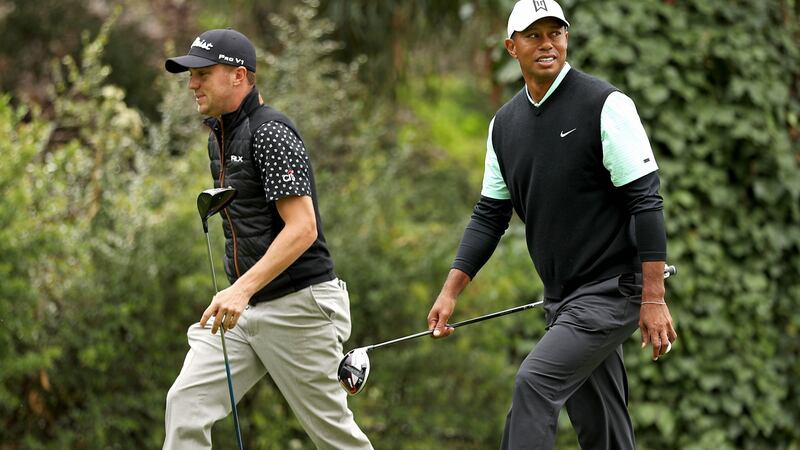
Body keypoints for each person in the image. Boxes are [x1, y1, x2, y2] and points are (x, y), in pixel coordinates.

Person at [425, 1, 677, 449]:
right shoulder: (504, 126)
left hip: (613, 290)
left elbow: (645, 200)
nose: (547, 44)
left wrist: (653, 297)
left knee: (535, 384)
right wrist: (450, 292)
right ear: (512, 47)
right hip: (562, 299)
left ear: (566, 38)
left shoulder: (605, 105)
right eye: (533, 35)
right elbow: (490, 215)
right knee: (602, 427)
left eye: (555, 33)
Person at [162, 28, 373, 450]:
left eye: (203, 74)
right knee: (185, 402)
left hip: (299, 307)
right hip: (246, 310)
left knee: (335, 438)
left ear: (238, 76)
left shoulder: (271, 132)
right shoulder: (219, 139)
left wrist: (240, 290)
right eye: (191, 75)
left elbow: (303, 228)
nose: (192, 84)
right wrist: (242, 294)